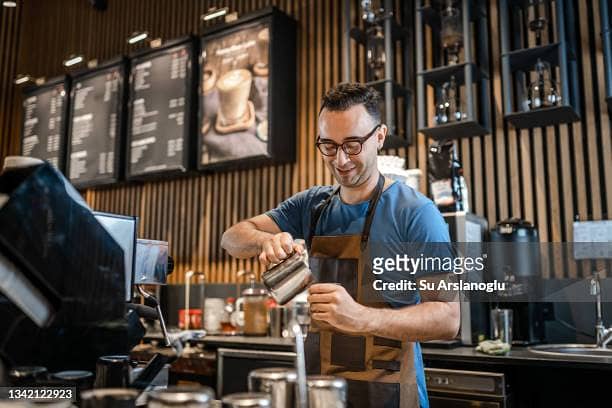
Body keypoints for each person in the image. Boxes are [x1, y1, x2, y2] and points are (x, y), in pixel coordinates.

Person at [221, 83, 460, 408]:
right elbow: (232, 238)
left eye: (352, 144)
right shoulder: (310, 205)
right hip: (322, 395)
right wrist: (267, 239)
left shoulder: (416, 213)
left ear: (379, 136)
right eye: (328, 146)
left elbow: (448, 319)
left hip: (390, 395)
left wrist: (362, 318)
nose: (341, 159)